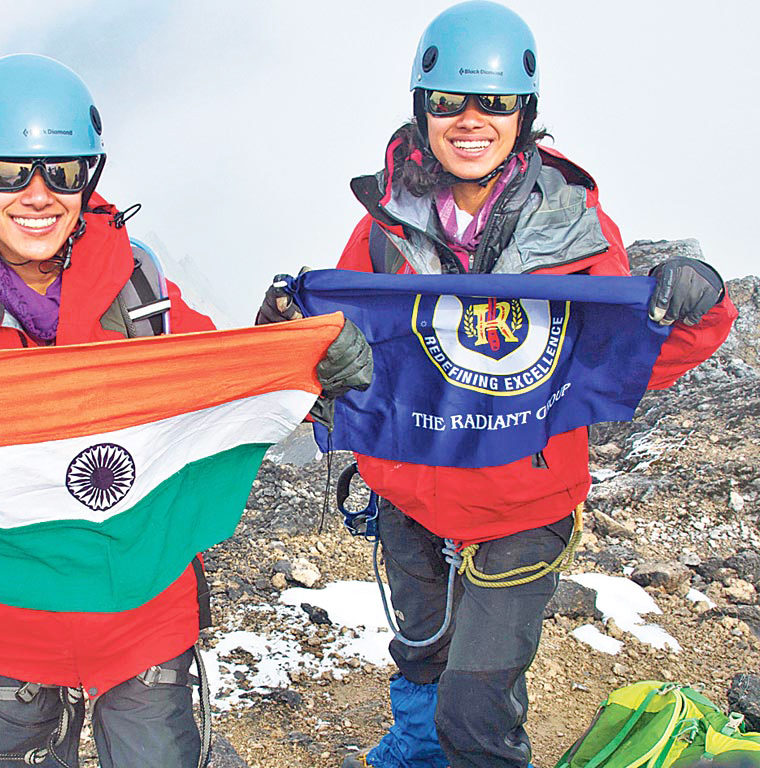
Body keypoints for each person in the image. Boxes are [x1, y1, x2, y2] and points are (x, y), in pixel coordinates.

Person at [0, 54, 370, 767]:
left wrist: (297, 370)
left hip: (141, 625)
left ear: (89, 177)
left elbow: (217, 397)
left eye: (61, 171)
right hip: (11, 633)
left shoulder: (141, 289)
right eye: (7, 172)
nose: (37, 194)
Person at [257, 3, 736, 767]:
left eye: (495, 102)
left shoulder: (576, 228)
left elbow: (627, 353)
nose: (470, 120)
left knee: (476, 712)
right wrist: (293, 334)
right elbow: (352, 338)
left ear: (525, 114)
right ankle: (414, 751)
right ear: (422, 109)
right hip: (408, 495)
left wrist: (695, 302)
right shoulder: (384, 224)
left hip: (522, 505)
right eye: (448, 101)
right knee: (419, 655)